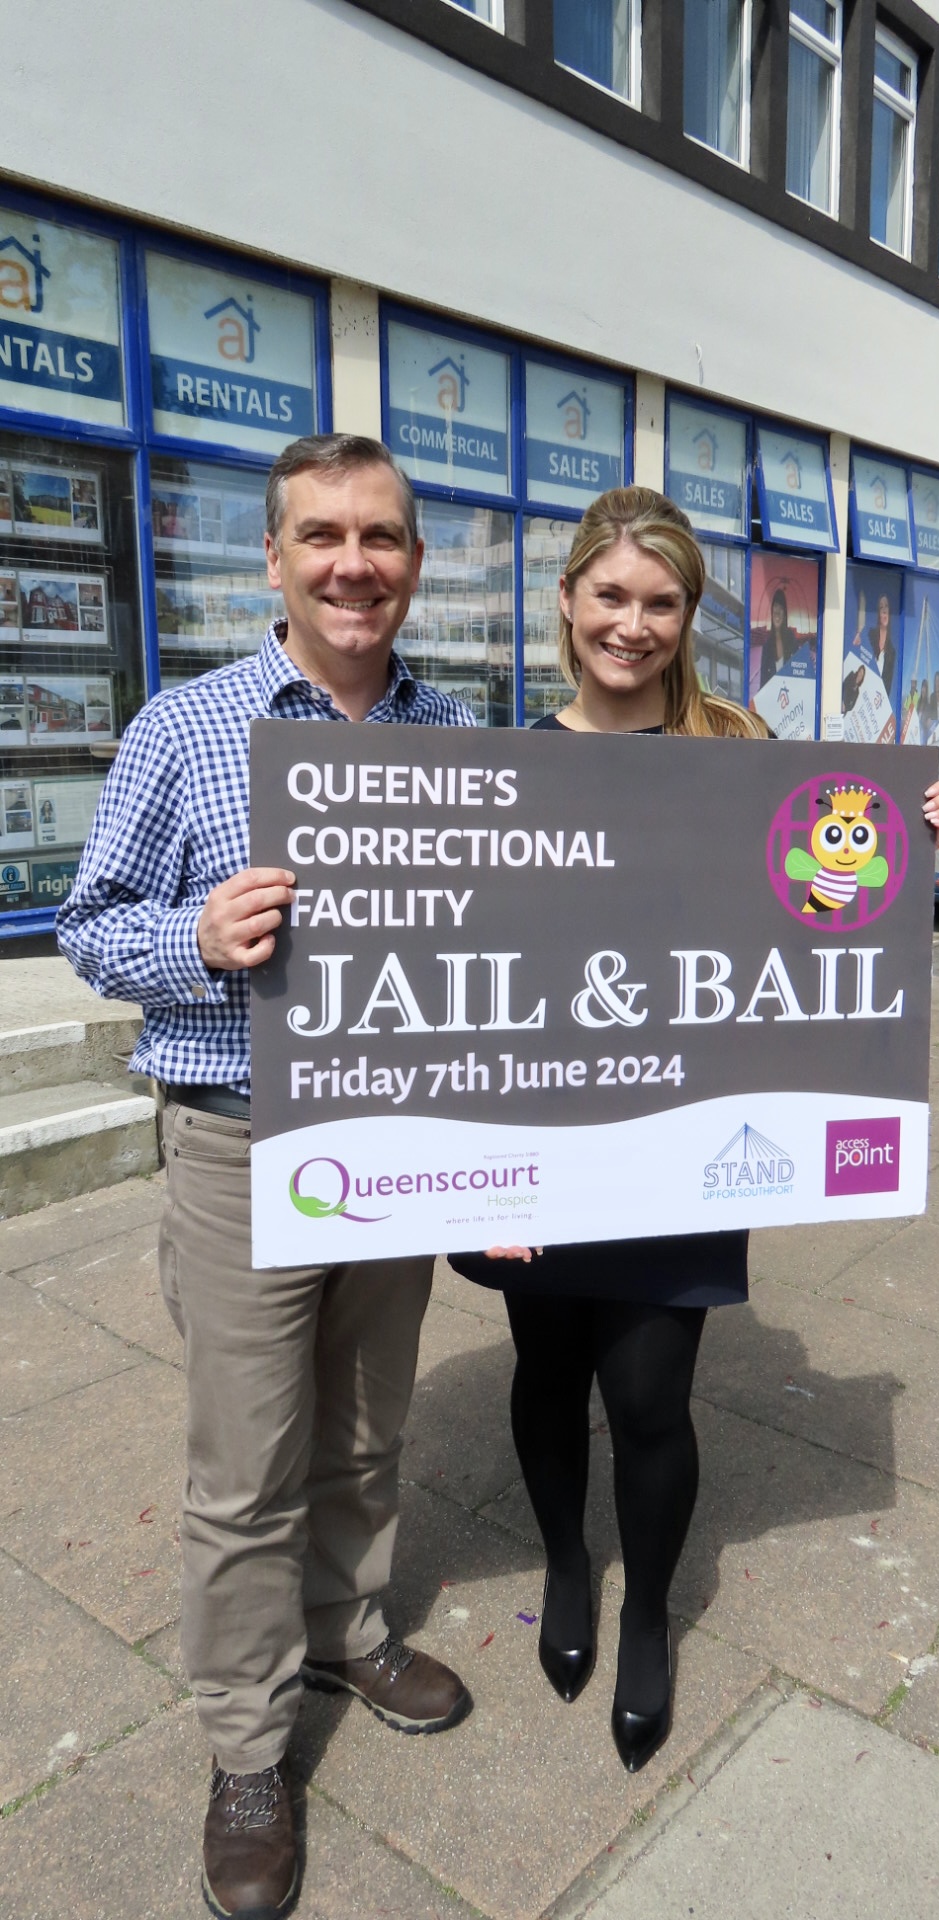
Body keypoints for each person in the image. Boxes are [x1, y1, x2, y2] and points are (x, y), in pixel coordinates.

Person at [448, 487, 939, 1778]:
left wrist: (912, 855)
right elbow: (457, 965)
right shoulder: (498, 770)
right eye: (610, 596)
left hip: (678, 1140)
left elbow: (821, 933)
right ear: (566, 602)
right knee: (548, 1371)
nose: (632, 624)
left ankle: (650, 1616)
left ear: (687, 618)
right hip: (541, 1140)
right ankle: (569, 1567)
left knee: (650, 1391)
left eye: (660, 602)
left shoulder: (746, 762)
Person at [57, 435, 475, 1920]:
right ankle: (246, 1746)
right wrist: (200, 940)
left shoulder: (457, 733)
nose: (354, 562)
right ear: (276, 561)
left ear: (416, 562)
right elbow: (88, 923)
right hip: (241, 1135)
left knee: (367, 1425)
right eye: (323, 537)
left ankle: (348, 1627)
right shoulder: (189, 725)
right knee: (243, 1468)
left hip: (400, 1137)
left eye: (381, 536)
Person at [758, 585, 794, 688]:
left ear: (785, 613)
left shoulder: (791, 640)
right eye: (775, 606)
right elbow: (763, 683)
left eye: (781, 608)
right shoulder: (767, 646)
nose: (777, 611)